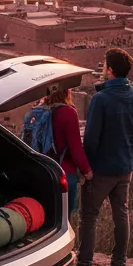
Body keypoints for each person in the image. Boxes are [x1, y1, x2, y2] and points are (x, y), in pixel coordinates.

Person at [68, 47, 133, 266]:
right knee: (121, 216)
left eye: (105, 65)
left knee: (89, 217)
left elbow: (91, 139)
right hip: (124, 169)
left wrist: (87, 168)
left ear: (111, 70)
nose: (103, 68)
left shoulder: (101, 99)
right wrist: (130, 157)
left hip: (101, 170)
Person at [43, 86, 91, 217]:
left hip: (44, 171)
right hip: (64, 171)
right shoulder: (68, 112)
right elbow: (75, 147)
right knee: (64, 219)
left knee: (48, 217)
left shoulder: (40, 111)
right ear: (66, 92)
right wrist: (87, 170)